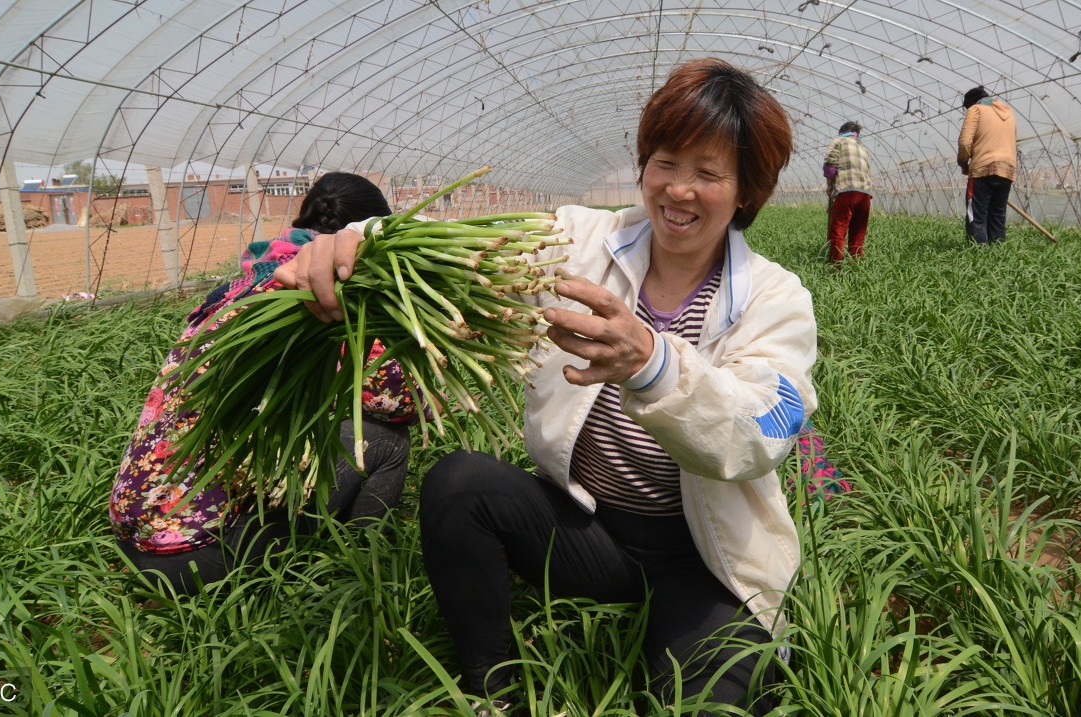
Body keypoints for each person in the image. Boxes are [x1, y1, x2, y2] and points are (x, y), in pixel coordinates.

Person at [280, 58, 817, 716]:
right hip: (589, 526)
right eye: (665, 162)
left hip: (702, 555)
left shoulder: (774, 299)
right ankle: (494, 692)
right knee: (459, 484)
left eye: (708, 173)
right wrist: (358, 241)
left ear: (746, 192)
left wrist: (651, 361)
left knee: (707, 702)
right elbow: (453, 245)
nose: (679, 190)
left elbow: (761, 430)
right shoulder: (583, 239)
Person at [109, 172, 415, 597]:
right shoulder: (321, 291)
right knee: (388, 436)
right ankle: (358, 573)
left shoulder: (246, 281)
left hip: (134, 532)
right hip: (196, 557)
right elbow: (401, 401)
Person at [957, 86, 1018, 244]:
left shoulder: (976, 109)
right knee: (997, 214)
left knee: (976, 215)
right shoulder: (1008, 113)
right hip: (1007, 169)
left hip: (982, 169)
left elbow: (965, 142)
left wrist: (963, 162)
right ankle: (997, 253)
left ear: (971, 102)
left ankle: (978, 254)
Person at [822, 120, 872, 263]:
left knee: (838, 231)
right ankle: (855, 265)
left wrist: (830, 184)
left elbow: (829, 163)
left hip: (846, 191)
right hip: (865, 194)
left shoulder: (839, 141)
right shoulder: (862, 147)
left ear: (842, 131)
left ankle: (835, 266)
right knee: (858, 232)